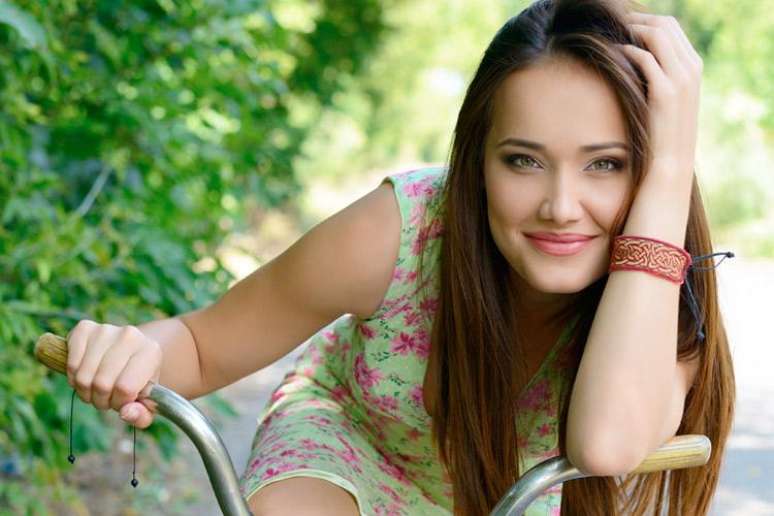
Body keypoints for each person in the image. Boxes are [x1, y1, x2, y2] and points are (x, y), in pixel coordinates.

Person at [63, 0, 735, 514]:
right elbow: (203, 347)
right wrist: (131, 353)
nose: (561, 205)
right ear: (478, 161)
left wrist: (673, 168)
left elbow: (606, 446)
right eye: (523, 160)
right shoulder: (404, 232)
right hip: (347, 451)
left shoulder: (667, 300)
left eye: (607, 165)